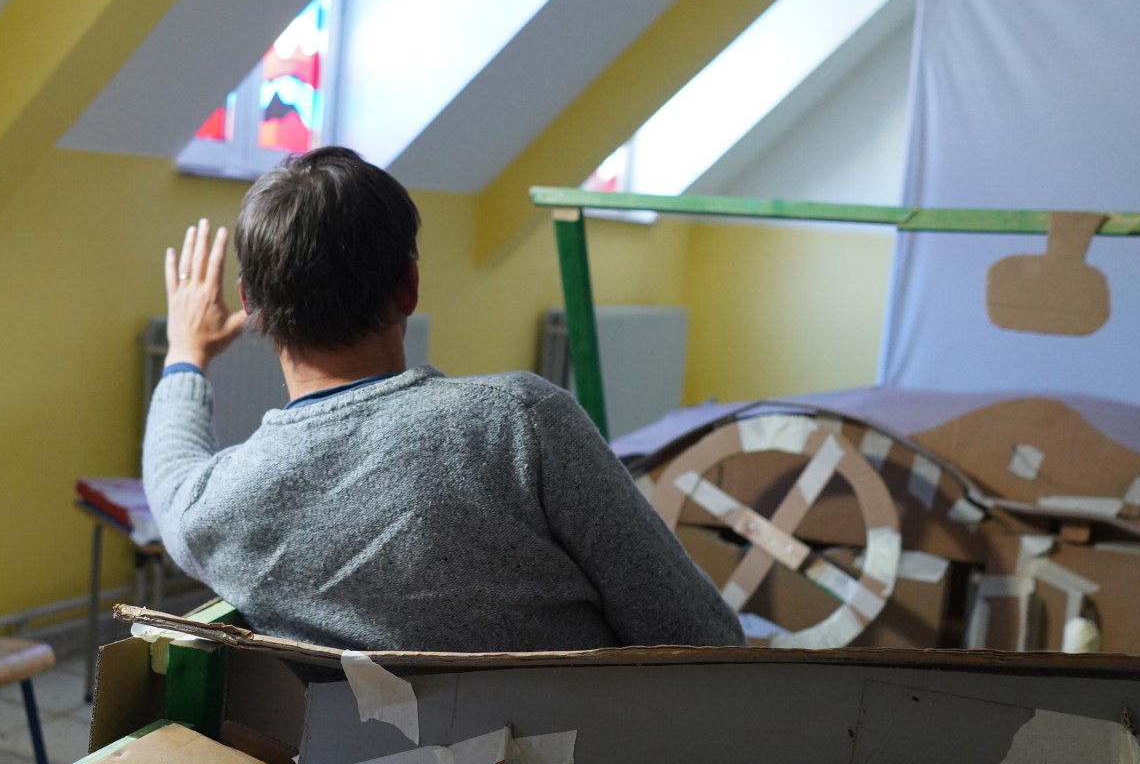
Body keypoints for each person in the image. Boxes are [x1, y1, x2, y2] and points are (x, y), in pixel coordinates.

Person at [141, 146, 743, 652]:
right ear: (409, 287)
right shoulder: (522, 421)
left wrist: (186, 352)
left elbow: (170, 478)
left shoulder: (217, 508)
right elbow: (700, 638)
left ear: (250, 304)